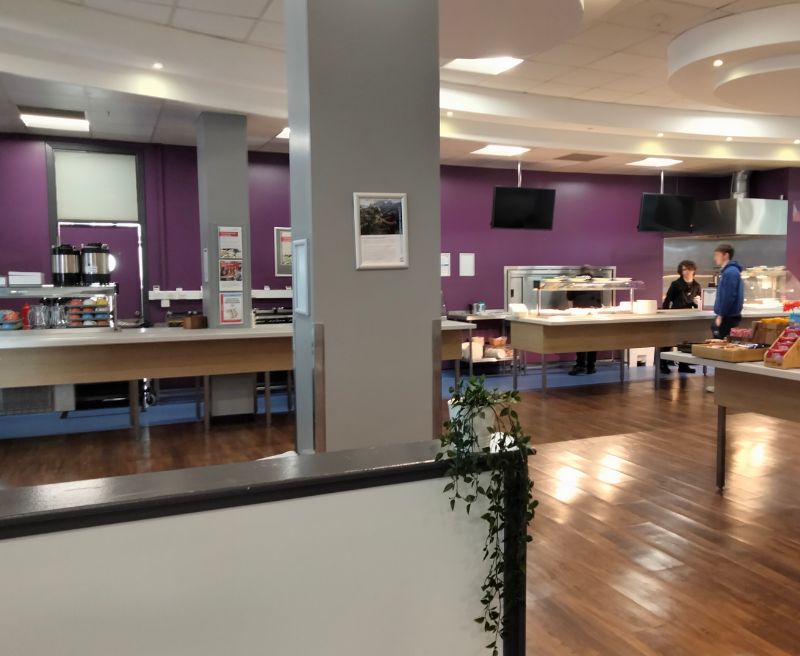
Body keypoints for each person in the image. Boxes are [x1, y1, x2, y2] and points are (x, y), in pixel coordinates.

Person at [661, 260, 702, 375]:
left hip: (689, 316)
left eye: (689, 269)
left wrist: (697, 303)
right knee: (669, 340)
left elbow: (698, 304)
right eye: (684, 269)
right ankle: (663, 364)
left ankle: (683, 365)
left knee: (686, 341)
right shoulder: (676, 284)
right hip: (676, 315)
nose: (686, 272)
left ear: (693, 270)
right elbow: (668, 300)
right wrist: (665, 314)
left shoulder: (697, 286)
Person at [567, 266, 602, 376]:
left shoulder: (574, 281)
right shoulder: (596, 281)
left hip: (579, 314)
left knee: (580, 339)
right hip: (595, 313)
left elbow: (569, 297)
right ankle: (591, 366)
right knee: (594, 340)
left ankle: (580, 365)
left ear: (580, 272)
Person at [712, 244, 744, 339]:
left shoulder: (730, 272)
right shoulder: (730, 271)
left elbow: (728, 296)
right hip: (728, 316)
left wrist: (720, 315)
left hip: (727, 317)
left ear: (726, 255)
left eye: (717, 255)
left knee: (721, 343)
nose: (715, 258)